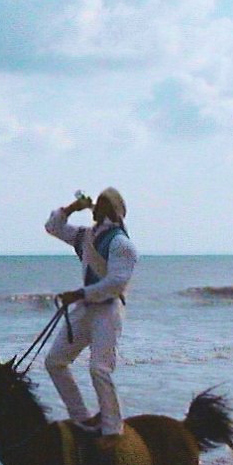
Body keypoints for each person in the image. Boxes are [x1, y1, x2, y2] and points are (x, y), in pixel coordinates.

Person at [44, 187, 138, 450]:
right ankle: (81, 419)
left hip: (107, 311)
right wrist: (73, 207)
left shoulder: (121, 244)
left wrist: (80, 293)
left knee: (99, 369)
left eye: (102, 203)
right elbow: (53, 226)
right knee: (55, 362)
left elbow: (116, 283)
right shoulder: (86, 236)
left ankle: (112, 429)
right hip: (87, 308)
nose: (96, 206)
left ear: (113, 211)